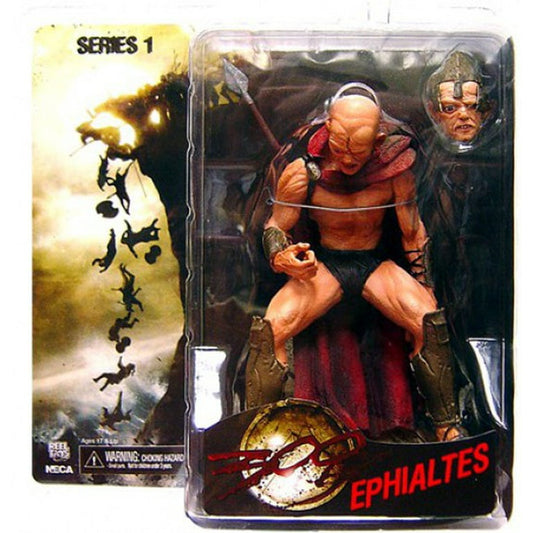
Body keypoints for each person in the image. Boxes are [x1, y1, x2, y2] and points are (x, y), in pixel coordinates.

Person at [245, 83, 465, 441]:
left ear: (378, 141)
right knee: (270, 330)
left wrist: (425, 286)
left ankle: (446, 426)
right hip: (326, 267)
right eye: (340, 146)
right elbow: (275, 227)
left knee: (428, 320)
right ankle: (255, 432)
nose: (347, 159)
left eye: (358, 150)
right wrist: (282, 257)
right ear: (328, 128)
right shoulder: (302, 173)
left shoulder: (396, 173)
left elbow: (412, 233)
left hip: (374, 263)